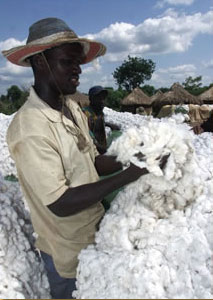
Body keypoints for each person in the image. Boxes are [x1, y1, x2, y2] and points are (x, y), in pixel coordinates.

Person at [2, 18, 167, 299]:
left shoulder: (72, 109)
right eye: (69, 62)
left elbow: (93, 161)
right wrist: (130, 174)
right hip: (67, 254)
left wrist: (132, 157)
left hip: (95, 236)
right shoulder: (30, 128)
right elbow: (60, 203)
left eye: (79, 63)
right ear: (40, 62)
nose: (78, 70)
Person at [83, 86, 120, 154]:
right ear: (91, 99)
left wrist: (108, 124)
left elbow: (96, 120)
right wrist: (105, 151)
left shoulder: (99, 112)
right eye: (99, 98)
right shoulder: (85, 114)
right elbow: (88, 137)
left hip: (101, 147)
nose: (102, 101)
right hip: (91, 151)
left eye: (103, 98)